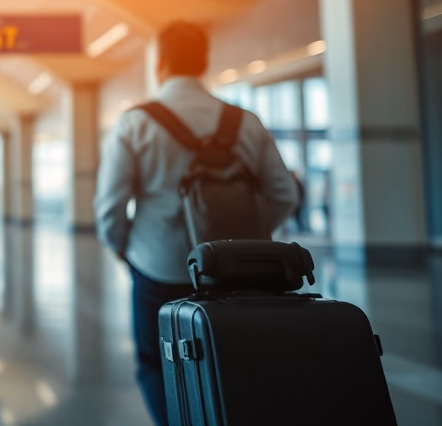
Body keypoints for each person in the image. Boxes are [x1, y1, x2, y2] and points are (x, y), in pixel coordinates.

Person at [93, 22, 298, 426]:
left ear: (162, 63)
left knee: (156, 363)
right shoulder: (245, 122)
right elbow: (284, 194)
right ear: (203, 62)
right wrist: (249, 243)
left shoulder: (134, 123)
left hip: (159, 266)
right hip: (237, 273)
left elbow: (110, 207)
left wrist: (124, 248)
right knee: (232, 362)